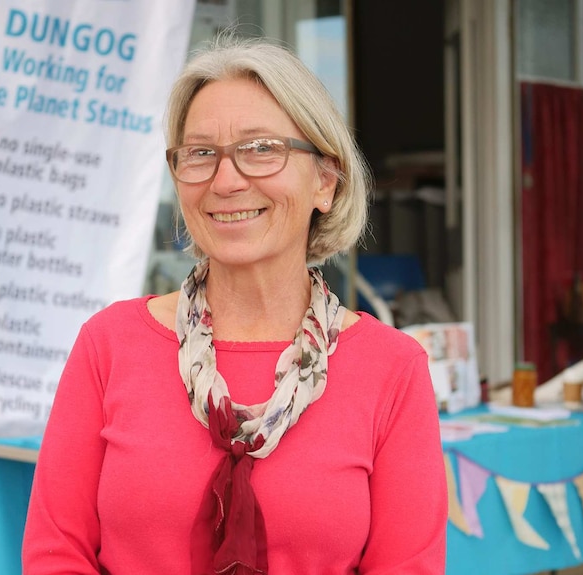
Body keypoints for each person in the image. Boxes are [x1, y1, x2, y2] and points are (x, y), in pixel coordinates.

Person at [22, 33, 447, 574]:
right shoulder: (109, 346)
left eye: (261, 149)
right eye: (201, 154)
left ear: (325, 180)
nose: (226, 180)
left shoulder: (392, 369)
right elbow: (56, 555)